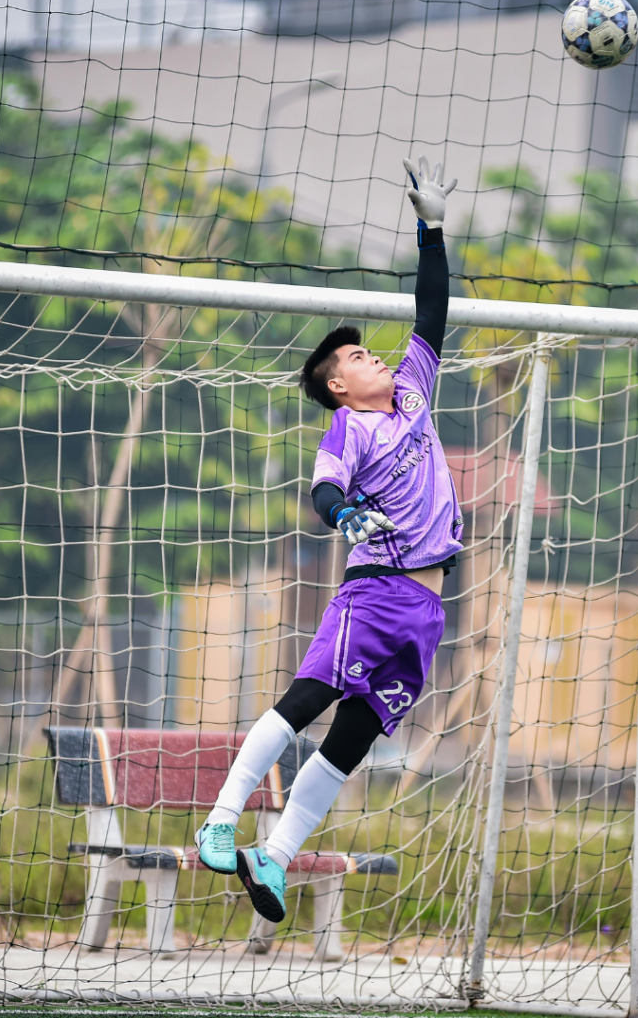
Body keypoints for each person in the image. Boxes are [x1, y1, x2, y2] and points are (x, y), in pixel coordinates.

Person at [194, 156, 462, 923]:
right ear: (339, 385)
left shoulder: (413, 389)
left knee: (353, 739)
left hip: (425, 612)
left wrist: (432, 229)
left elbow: (431, 311)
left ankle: (271, 861)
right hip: (376, 592)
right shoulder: (350, 424)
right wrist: (342, 514)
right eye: (353, 357)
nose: (370, 355)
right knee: (308, 696)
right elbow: (324, 488)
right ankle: (221, 820)